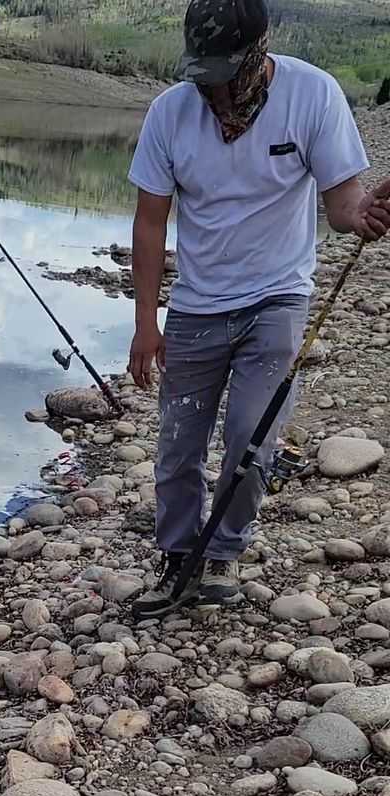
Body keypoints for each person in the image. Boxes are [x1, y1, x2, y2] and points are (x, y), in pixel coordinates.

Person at [127, 0, 390, 619]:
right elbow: (148, 222)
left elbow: (343, 205)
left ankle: (222, 554)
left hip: (277, 296)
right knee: (177, 443)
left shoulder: (313, 95)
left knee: (252, 435)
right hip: (195, 302)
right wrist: (145, 323)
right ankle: (177, 556)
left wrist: (366, 218)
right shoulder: (170, 112)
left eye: (223, 72)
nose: (212, 89)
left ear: (257, 51)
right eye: (202, 74)